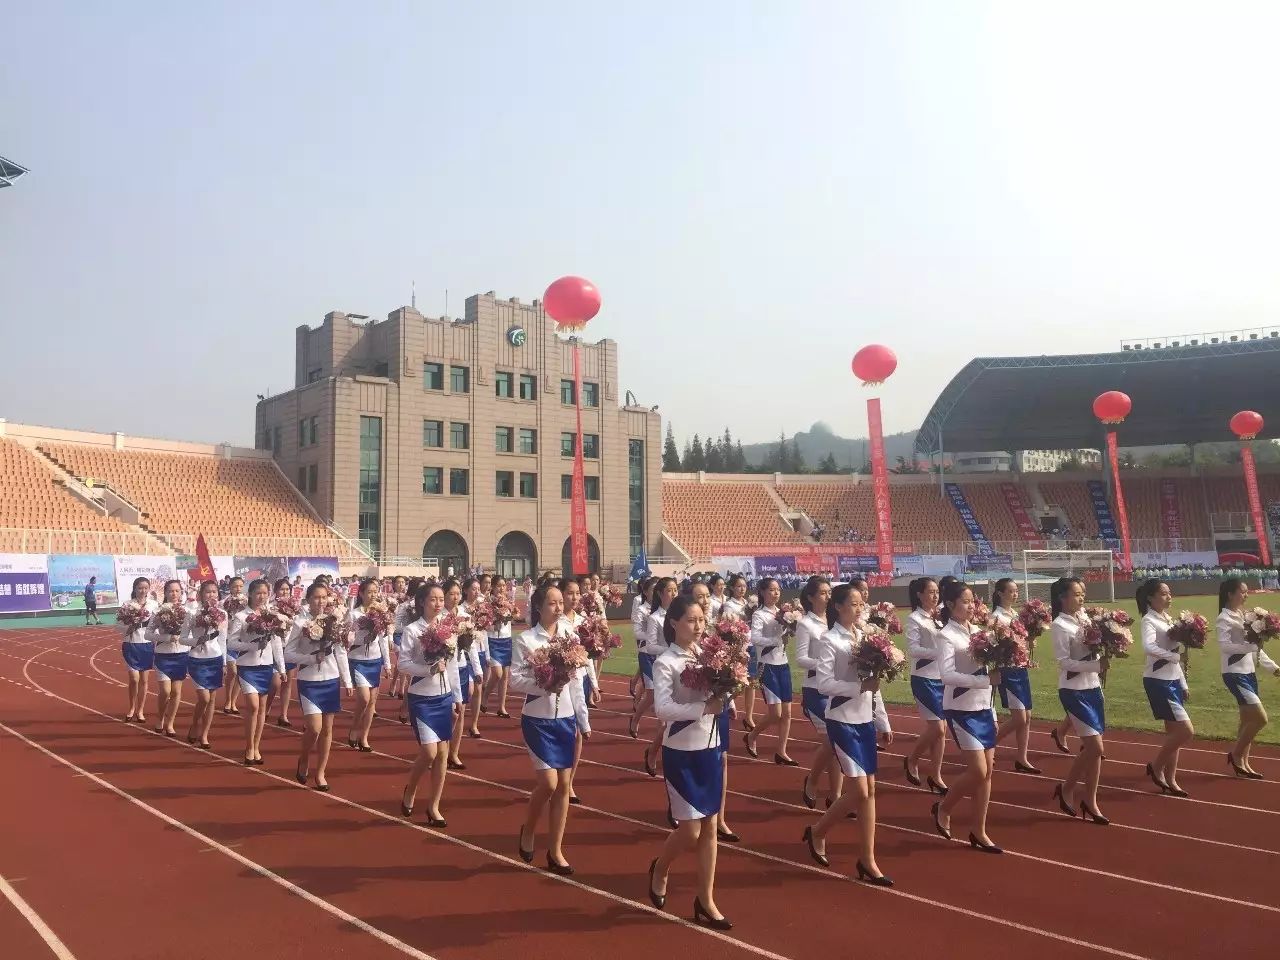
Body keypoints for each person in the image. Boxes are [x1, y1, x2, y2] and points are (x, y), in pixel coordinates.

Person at [647, 595, 734, 930]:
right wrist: (702, 709)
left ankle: (706, 898)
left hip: (710, 747)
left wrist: (728, 690)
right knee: (690, 830)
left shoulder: (709, 655)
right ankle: (661, 867)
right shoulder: (665, 662)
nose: (698, 627)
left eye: (701, 620)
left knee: (710, 825)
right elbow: (663, 709)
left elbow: (720, 694)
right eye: (690, 620)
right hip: (681, 752)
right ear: (673, 623)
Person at [802, 583, 893, 885]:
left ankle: (867, 859)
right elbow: (824, 683)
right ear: (838, 607)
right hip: (841, 719)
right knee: (860, 792)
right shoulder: (830, 640)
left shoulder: (867, 638)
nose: (858, 607)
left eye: (860, 603)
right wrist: (857, 688)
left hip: (864, 718)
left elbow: (874, 684)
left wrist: (883, 722)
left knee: (870, 792)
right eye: (852, 603)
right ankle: (817, 831)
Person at [512, 584, 591, 875]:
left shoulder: (571, 637)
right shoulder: (526, 640)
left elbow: (578, 684)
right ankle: (529, 829)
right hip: (537, 719)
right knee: (548, 784)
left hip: (566, 719)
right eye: (553, 603)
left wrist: (583, 720)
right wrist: (544, 685)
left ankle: (556, 850)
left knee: (563, 788)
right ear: (538, 607)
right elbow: (515, 681)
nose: (559, 608)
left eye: (561, 603)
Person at [932, 580, 1002, 853]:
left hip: (984, 707)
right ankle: (944, 807)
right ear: (950, 605)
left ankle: (979, 830)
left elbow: (988, 671)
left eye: (973, 601)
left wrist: (993, 708)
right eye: (964, 601)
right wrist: (985, 682)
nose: (970, 606)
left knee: (988, 773)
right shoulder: (945, 635)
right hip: (961, 708)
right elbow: (946, 676)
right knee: (978, 771)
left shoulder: (980, 632)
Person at [398, 583, 462, 827]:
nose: (438, 603)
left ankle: (434, 806)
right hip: (422, 697)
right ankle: (411, 788)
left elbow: (453, 666)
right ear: (422, 602)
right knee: (429, 752)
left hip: (444, 696)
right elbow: (403, 664)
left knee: (443, 754)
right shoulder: (412, 631)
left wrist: (456, 697)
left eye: (440, 599)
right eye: (433, 599)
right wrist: (428, 669)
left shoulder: (449, 628)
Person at [283, 581, 353, 791]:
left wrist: (347, 680)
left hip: (330, 679)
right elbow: (288, 653)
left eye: (324, 597)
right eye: (316, 597)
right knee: (314, 728)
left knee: (328, 730)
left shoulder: (336, 621)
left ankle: (321, 772)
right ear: (308, 599)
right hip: (309, 680)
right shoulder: (299, 623)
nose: (320, 602)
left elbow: (340, 652)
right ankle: (304, 757)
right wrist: (311, 658)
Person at [1049, 577, 1109, 825]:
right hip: (1073, 691)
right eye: (1076, 593)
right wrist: (1096, 664)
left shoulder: (1086, 618)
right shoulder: (1059, 625)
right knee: (1095, 748)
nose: (1082, 597)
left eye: (1083, 593)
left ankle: (1090, 800)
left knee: (1093, 752)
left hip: (1093, 687)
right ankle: (1066, 788)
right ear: (1063, 597)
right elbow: (1063, 662)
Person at [1217, 576, 1278, 778]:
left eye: (1246, 591)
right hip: (1234, 674)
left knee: (1247, 720)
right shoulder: (1224, 618)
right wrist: (1248, 646)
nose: (1245, 595)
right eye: (1242, 591)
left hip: (1248, 672)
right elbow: (1224, 646)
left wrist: (1274, 668)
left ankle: (1243, 763)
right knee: (1260, 718)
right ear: (1230, 594)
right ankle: (1235, 755)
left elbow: (1256, 649)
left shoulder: (1244, 616)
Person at [1137, 579, 1192, 796]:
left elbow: (1175, 656)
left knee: (1174, 732)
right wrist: (1174, 656)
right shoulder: (1148, 621)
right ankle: (1156, 766)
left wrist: (1183, 683)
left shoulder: (1169, 619)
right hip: (1157, 681)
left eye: (1170, 593)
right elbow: (1149, 647)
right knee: (1185, 731)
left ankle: (1171, 779)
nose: (1169, 597)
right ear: (1150, 597)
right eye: (1163, 593)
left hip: (1172, 680)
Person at [226, 578, 286, 765]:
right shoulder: (241, 617)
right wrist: (252, 645)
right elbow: (231, 642)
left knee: (261, 709)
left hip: (266, 666)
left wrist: (281, 668)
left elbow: (276, 644)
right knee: (252, 706)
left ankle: (255, 746)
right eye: (258, 593)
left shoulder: (272, 615)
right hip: (247, 666)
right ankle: (249, 745)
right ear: (250, 594)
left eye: (265, 593)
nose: (262, 597)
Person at [796, 576, 840, 809]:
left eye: (829, 592)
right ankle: (812, 780)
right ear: (811, 597)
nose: (827, 596)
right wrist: (824, 663)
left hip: (836, 687)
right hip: (815, 689)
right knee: (833, 740)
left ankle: (836, 795)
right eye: (822, 593)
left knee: (836, 744)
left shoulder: (836, 620)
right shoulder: (806, 624)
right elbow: (801, 658)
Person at [744, 578, 797, 765]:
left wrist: (792, 628)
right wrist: (776, 639)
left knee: (788, 713)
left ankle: (781, 751)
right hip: (767, 665)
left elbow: (790, 633)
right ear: (763, 592)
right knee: (775, 714)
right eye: (772, 590)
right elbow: (755, 638)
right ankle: (752, 736)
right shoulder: (759, 615)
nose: (776, 593)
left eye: (778, 590)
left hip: (783, 664)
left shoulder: (783, 613)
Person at [903, 577, 948, 794]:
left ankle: (936, 775)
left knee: (941, 731)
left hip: (943, 678)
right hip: (924, 678)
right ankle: (912, 759)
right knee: (937, 727)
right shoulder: (914, 619)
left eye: (937, 591)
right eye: (930, 592)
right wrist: (939, 653)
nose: (935, 595)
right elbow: (913, 650)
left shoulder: (941, 617)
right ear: (919, 594)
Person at [990, 578, 1039, 773]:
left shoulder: (1016, 614)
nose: (1015, 594)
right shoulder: (996, 617)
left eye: (1016, 591)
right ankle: (988, 744)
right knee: (1019, 717)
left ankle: (1022, 758)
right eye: (1011, 591)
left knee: (1027, 715)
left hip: (1021, 666)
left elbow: (1022, 639)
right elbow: (993, 645)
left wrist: (1029, 641)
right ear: (1000, 593)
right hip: (1007, 668)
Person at [559, 577, 598, 805]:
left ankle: (570, 781)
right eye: (570, 593)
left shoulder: (584, 621)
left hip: (580, 679)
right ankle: (562, 778)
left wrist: (594, 683)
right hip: (564, 682)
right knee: (568, 731)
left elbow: (588, 657)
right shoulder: (557, 621)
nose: (574, 597)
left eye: (577, 593)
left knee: (579, 732)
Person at [178, 580, 229, 749]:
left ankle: (205, 734)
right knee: (204, 698)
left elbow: (222, 641)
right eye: (208, 592)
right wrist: (197, 640)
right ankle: (195, 724)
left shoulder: (222, 614)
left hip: (215, 658)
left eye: (214, 592)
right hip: (197, 659)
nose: (211, 595)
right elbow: (183, 638)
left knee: (212, 699)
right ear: (200, 594)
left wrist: (223, 662)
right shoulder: (192, 613)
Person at [346, 578, 393, 753]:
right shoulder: (354, 614)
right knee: (364, 699)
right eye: (369, 592)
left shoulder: (381, 613)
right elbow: (348, 638)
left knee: (372, 702)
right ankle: (355, 726)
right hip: (357, 660)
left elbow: (382, 640)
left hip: (374, 660)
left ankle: (364, 737)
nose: (373, 595)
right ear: (361, 594)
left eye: (375, 591)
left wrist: (387, 664)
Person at [633, 577, 677, 749]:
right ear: (660, 593)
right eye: (669, 590)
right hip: (664, 669)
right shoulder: (655, 617)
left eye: (676, 589)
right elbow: (650, 646)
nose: (674, 594)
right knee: (665, 719)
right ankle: (654, 752)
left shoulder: (683, 614)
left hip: (682, 669)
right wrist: (671, 650)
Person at [442, 578, 481, 770]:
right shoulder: (439, 617)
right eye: (451, 594)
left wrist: (477, 669)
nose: (455, 597)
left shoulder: (465, 616)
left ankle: (454, 753)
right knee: (449, 713)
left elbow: (470, 645)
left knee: (461, 710)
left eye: (457, 594)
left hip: (462, 666)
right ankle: (441, 750)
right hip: (444, 670)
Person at [147, 579, 188, 736]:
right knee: (165, 690)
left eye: (177, 591)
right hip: (163, 655)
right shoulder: (158, 612)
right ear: (165, 593)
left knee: (176, 692)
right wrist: (166, 637)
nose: (174, 594)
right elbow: (148, 634)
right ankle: (160, 718)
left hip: (181, 654)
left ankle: (170, 723)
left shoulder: (187, 612)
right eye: (171, 591)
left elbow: (191, 632)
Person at [119, 576, 158, 723]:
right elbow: (118, 626)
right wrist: (129, 627)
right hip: (131, 644)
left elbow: (158, 625)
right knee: (134, 679)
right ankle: (131, 708)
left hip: (147, 645)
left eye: (145, 588)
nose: (143, 591)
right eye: (140, 588)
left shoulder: (154, 605)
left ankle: (140, 710)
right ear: (135, 589)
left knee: (144, 680)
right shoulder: (127, 605)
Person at [481, 576, 516, 718]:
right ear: (493, 587)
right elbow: (483, 622)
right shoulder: (487, 602)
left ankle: (501, 706)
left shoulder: (508, 602)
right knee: (497, 673)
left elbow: (513, 617)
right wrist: (494, 621)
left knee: (505, 676)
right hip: (492, 640)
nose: (502, 588)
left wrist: (510, 615)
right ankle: (485, 695)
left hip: (506, 639)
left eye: (504, 586)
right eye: (499, 586)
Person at [460, 577, 488, 738]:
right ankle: (461, 720)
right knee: (469, 690)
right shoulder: (461, 610)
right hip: (466, 653)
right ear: (466, 590)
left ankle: (474, 724)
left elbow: (486, 633)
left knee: (478, 688)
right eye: (473, 588)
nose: (477, 591)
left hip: (480, 651)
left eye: (478, 588)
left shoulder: (483, 609)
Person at [272, 577, 301, 729]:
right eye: (282, 589)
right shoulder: (271, 608)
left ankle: (283, 714)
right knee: (275, 682)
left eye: (287, 590)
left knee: (288, 682)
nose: (285, 592)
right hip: (275, 648)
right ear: (276, 591)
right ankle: (266, 707)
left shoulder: (295, 609)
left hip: (290, 648)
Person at [220, 576, 247, 716]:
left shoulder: (247, 603)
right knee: (233, 671)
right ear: (230, 587)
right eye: (235, 586)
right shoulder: (224, 603)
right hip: (229, 640)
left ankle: (233, 701)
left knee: (238, 673)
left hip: (243, 642)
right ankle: (227, 699)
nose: (238, 589)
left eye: (241, 586)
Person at [629, 576, 657, 701]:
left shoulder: (664, 609)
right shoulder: (641, 608)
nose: (656, 593)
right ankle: (635, 719)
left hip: (661, 652)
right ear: (645, 592)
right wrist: (653, 635)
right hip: (646, 651)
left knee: (657, 690)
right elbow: (637, 632)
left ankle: (637, 701)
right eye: (653, 589)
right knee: (652, 691)